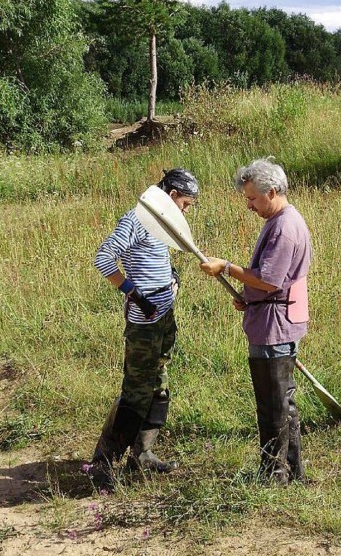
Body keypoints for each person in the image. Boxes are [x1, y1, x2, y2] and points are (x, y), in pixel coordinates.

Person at [200, 158, 311, 485]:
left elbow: (271, 280)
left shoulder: (285, 228)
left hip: (275, 327)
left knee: (272, 405)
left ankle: (274, 475)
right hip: (272, 317)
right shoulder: (280, 220)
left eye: (252, 198)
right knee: (282, 402)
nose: (248, 205)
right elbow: (270, 284)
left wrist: (227, 267)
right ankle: (292, 472)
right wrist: (250, 298)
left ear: (272, 192)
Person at [89, 168, 199, 490]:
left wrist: (172, 278)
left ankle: (143, 455)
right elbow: (103, 258)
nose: (186, 211)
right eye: (186, 204)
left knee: (159, 387)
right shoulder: (136, 219)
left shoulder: (163, 220)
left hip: (165, 318)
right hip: (144, 324)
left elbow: (156, 257)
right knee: (136, 392)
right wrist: (136, 295)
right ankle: (103, 463)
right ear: (172, 194)